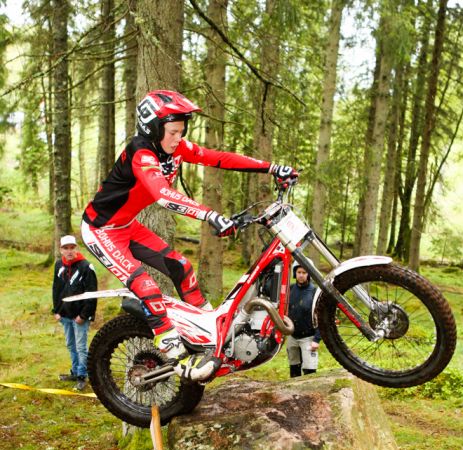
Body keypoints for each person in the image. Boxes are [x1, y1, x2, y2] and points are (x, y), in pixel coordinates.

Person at [81, 89, 298, 376]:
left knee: (182, 267)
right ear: (153, 129)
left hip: (127, 226)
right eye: (172, 132)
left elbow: (218, 158)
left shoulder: (175, 148)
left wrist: (271, 168)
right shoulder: (141, 153)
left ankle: (210, 331)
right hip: (101, 230)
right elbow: (163, 195)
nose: (178, 138)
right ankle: (173, 350)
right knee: (146, 286)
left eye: (181, 132)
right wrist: (209, 214)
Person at [52, 235, 98, 391]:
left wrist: (84, 315)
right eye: (66, 248)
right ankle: (75, 372)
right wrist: (56, 310)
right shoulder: (59, 265)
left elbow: (92, 293)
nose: (69, 251)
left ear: (76, 248)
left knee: (81, 347)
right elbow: (56, 289)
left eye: (72, 247)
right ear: (61, 250)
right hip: (64, 314)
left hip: (79, 316)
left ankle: (82, 376)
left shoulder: (86, 267)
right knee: (71, 344)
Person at [287, 263, 321, 378]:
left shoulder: (315, 292)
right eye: (299, 272)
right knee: (294, 369)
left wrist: (317, 339)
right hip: (292, 336)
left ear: (309, 274)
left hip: (308, 338)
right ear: (295, 273)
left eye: (304, 272)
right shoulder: (290, 289)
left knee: (309, 371)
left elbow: (321, 317)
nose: (301, 275)